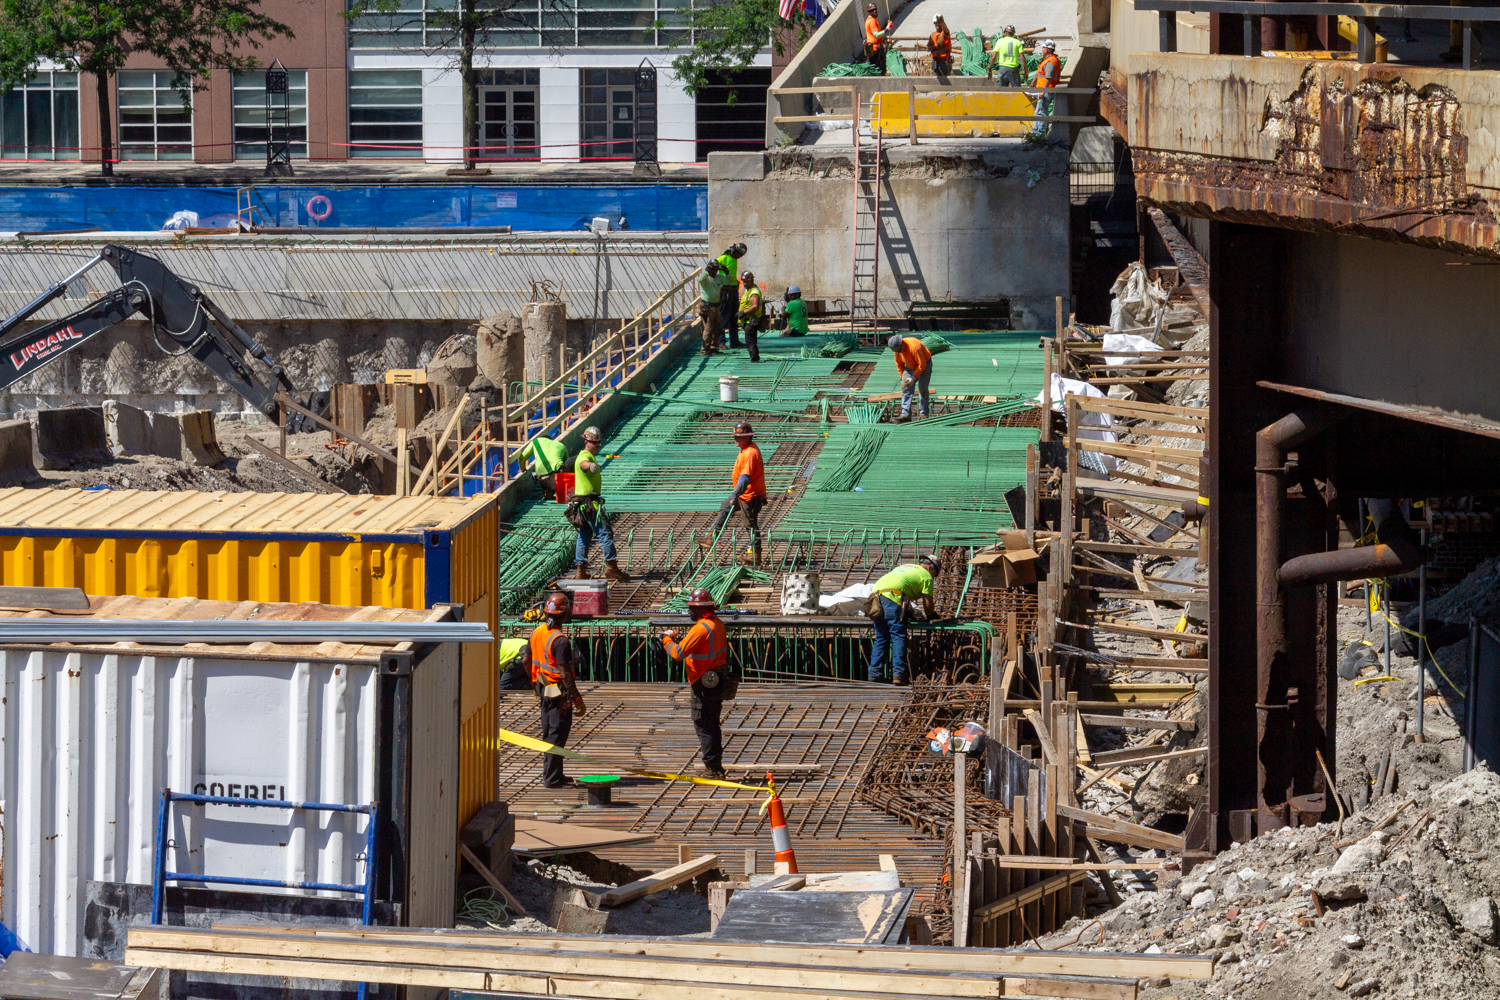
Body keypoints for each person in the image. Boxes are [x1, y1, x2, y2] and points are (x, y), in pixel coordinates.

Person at [661, 587, 731, 779]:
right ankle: (716, 766)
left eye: (691, 608)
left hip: (703, 683)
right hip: (716, 680)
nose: (689, 611)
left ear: (700, 610)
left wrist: (666, 639)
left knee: (704, 724)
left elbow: (678, 653)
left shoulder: (700, 629)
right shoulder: (717, 624)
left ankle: (712, 769)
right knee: (713, 724)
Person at [531, 591, 586, 787]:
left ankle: (555, 774)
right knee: (556, 734)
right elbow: (565, 674)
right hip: (557, 693)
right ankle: (552, 778)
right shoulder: (560, 641)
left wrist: (533, 683)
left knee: (549, 731)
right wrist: (578, 699)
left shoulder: (537, 631)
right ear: (564, 615)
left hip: (543, 688)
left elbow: (527, 657)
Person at [868, 553, 942, 685]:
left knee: (881, 636)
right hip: (892, 595)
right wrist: (931, 616)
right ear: (930, 568)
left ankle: (874, 674)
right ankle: (899, 675)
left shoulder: (905, 567)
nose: (933, 578)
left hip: (875, 595)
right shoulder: (926, 575)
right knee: (898, 635)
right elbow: (928, 603)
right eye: (934, 575)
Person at [572, 425, 631, 581]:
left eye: (599, 444)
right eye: (595, 444)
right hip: (591, 505)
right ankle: (611, 567)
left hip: (583, 505)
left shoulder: (588, 454)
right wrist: (590, 465)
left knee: (584, 535)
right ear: (587, 442)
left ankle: (580, 571)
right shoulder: (584, 456)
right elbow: (582, 464)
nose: (598, 446)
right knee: (605, 533)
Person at [710, 421, 766, 567]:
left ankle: (756, 555)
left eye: (738, 437)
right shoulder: (745, 449)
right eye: (735, 436)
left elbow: (745, 478)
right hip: (742, 493)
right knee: (725, 506)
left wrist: (735, 494)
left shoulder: (750, 453)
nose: (735, 439)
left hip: (750, 495)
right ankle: (712, 536)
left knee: (750, 525)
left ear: (747, 437)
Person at [888, 334, 933, 422]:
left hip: (924, 363)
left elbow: (922, 365)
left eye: (900, 350)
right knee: (905, 388)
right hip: (910, 366)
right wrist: (902, 378)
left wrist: (913, 377)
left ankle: (924, 414)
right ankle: (906, 415)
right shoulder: (897, 350)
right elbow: (899, 365)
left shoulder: (914, 347)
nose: (900, 352)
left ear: (902, 343)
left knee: (923, 389)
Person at [518, 434, 568, 498]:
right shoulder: (561, 445)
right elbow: (567, 463)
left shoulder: (535, 441)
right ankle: (556, 491)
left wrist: (523, 469)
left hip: (543, 477)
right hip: (558, 478)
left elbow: (521, 458)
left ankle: (548, 491)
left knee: (536, 472)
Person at [716, 243, 747, 349]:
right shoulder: (723, 258)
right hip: (726, 291)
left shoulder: (734, 260)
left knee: (734, 317)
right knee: (724, 316)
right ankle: (720, 342)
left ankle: (734, 341)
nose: (739, 257)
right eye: (739, 255)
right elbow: (711, 270)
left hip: (733, 291)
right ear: (734, 251)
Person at [1030, 39, 1062, 138]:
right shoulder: (1047, 60)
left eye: (1043, 48)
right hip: (1043, 89)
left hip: (1046, 90)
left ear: (1047, 50)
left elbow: (1048, 78)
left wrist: (1043, 91)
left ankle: (1039, 134)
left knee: (1041, 112)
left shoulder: (1050, 62)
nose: (1042, 50)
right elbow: (1039, 72)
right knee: (1039, 111)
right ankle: (1036, 132)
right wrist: (1033, 82)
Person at [698, 259, 724, 355]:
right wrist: (706, 271)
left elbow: (730, 280)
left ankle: (713, 347)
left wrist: (726, 271)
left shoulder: (718, 277)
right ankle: (705, 350)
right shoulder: (706, 278)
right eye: (712, 269)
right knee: (708, 328)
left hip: (716, 306)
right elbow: (700, 279)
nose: (714, 271)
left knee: (718, 327)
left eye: (716, 269)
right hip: (707, 306)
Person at [738, 271, 764, 363]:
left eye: (747, 281)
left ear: (752, 280)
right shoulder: (749, 290)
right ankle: (754, 357)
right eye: (744, 281)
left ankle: (755, 359)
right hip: (748, 321)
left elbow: (755, 306)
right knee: (750, 341)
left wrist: (743, 312)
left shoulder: (754, 292)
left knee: (750, 342)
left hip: (751, 321)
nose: (745, 283)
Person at [864, 4, 893, 75]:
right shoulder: (872, 21)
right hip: (876, 50)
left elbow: (874, 37)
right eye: (872, 10)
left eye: (875, 9)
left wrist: (884, 41)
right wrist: (888, 28)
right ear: (869, 12)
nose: (875, 11)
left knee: (875, 69)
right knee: (880, 70)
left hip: (873, 48)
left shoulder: (869, 20)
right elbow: (877, 35)